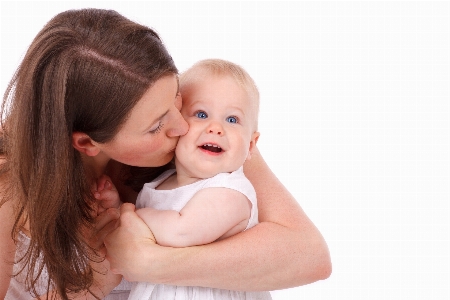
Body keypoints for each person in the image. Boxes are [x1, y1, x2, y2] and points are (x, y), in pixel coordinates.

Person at [0, 8, 331, 300]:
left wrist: (151, 263)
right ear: (86, 143)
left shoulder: (205, 127)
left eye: (176, 96)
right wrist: (94, 285)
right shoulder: (8, 185)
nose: (182, 126)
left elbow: (309, 256)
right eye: (156, 126)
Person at [96, 59, 271, 299]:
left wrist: (128, 215)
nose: (216, 128)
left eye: (232, 120)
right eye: (201, 114)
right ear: (177, 125)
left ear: (251, 145)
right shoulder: (162, 182)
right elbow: (143, 231)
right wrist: (114, 208)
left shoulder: (230, 192)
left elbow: (179, 231)